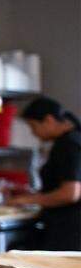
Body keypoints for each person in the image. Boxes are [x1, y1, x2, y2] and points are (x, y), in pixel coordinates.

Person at [9, 96, 81, 251]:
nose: (34, 133)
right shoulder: (75, 139)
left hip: (70, 230)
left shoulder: (68, 145)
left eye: (33, 126)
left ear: (49, 120)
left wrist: (30, 200)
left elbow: (70, 194)